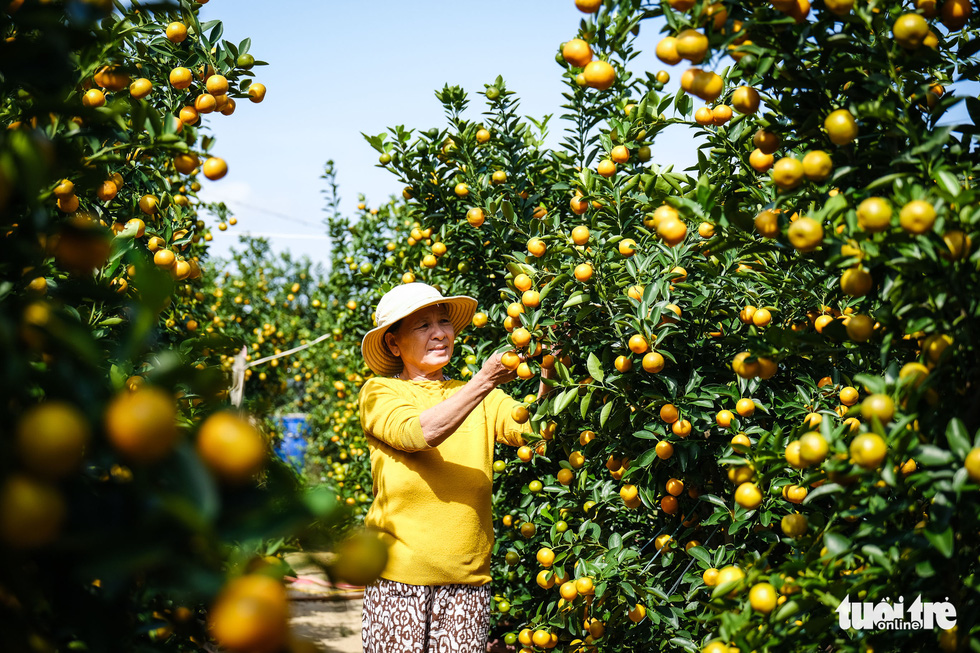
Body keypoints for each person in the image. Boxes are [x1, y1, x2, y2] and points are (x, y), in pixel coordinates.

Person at [357, 282, 556, 653]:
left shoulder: (481, 395)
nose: (439, 333)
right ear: (394, 344)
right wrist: (484, 379)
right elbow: (418, 433)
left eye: (444, 322)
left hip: (468, 583)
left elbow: (535, 433)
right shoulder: (380, 392)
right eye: (423, 325)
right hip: (397, 580)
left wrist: (552, 364)